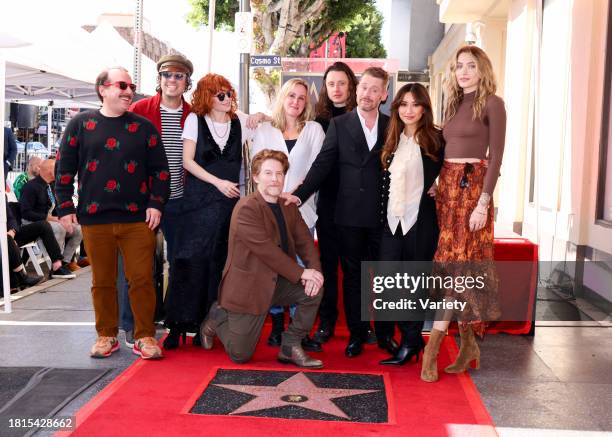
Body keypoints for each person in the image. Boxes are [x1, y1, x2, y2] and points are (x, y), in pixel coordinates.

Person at [55, 66, 170, 360]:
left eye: (131, 86)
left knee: (142, 279)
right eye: (122, 85)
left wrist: (156, 203)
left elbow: (160, 171)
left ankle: (145, 336)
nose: (128, 91)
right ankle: (106, 335)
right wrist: (65, 207)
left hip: (138, 220)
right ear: (103, 89)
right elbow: (64, 169)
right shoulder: (80, 124)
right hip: (95, 218)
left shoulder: (145, 128)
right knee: (102, 282)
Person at [283, 67, 398, 358]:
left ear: (383, 94)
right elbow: (322, 165)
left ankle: (385, 336)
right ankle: (357, 335)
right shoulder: (340, 124)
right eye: (364, 88)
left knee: (385, 276)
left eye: (375, 89)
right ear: (356, 91)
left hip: (384, 215)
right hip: (348, 215)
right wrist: (299, 195)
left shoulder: (393, 124)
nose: (368, 94)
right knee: (353, 276)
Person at [421, 45, 506, 382]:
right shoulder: (454, 104)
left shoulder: (494, 104)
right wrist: (439, 183)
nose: (463, 72)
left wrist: (483, 202)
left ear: (482, 69)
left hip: (473, 194)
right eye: (459, 67)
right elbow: (447, 153)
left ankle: (433, 351)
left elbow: (495, 157)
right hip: (449, 193)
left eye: (471, 66)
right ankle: (469, 345)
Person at [199, 149, 324, 368]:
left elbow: (305, 241)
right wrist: (303, 272)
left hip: (279, 281)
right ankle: (217, 316)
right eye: (268, 173)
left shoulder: (288, 207)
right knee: (241, 355)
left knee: (314, 289)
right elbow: (266, 250)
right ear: (256, 177)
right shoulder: (246, 207)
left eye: (279, 174)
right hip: (249, 288)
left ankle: (290, 346)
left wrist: (315, 272)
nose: (275, 179)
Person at [163, 73, 257, 349]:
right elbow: (186, 161)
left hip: (228, 206)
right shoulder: (195, 120)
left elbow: (267, 124)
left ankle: (206, 325)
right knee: (188, 262)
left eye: (229, 93)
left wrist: (261, 116)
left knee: (218, 264)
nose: (226, 98)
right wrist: (218, 182)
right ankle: (177, 326)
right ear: (207, 96)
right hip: (197, 203)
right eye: (220, 94)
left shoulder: (239, 122)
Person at [251, 78, 325, 351]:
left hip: (301, 208)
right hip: (270, 209)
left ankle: (299, 329)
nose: (295, 101)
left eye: (301, 98)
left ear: (306, 103)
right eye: (291, 95)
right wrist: (274, 194)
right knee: (273, 266)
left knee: (300, 267)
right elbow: (258, 166)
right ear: (282, 97)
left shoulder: (314, 130)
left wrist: (293, 193)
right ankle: (277, 326)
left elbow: (319, 167)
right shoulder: (265, 128)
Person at [378, 83, 444, 365]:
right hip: (391, 223)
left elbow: (454, 172)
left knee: (414, 285)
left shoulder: (437, 139)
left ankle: (410, 340)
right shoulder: (392, 137)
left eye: (415, 104)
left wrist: (439, 186)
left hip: (421, 222)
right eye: (403, 104)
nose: (408, 110)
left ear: (424, 108)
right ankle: (408, 338)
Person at [311, 61, 358, 344]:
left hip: (358, 208)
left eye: (342, 83)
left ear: (351, 86)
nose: (337, 89)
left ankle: (360, 327)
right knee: (327, 267)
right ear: (325, 89)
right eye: (331, 84)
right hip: (328, 204)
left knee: (356, 268)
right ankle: (326, 322)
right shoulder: (318, 123)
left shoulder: (366, 118)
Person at [20, 159, 82, 274]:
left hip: (50, 222)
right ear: (50, 171)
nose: (59, 171)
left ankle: (65, 262)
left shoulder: (51, 186)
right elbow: (26, 213)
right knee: (60, 228)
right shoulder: (31, 187)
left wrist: (66, 217)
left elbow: (57, 208)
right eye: (56, 169)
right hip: (32, 223)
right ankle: (55, 266)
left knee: (78, 229)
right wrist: (51, 219)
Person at [5, 198, 44, 291]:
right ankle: (21, 278)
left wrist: (12, 231)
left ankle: (59, 264)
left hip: (7, 234)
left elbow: (11, 218)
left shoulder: (1, 194)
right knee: (7, 241)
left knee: (43, 226)